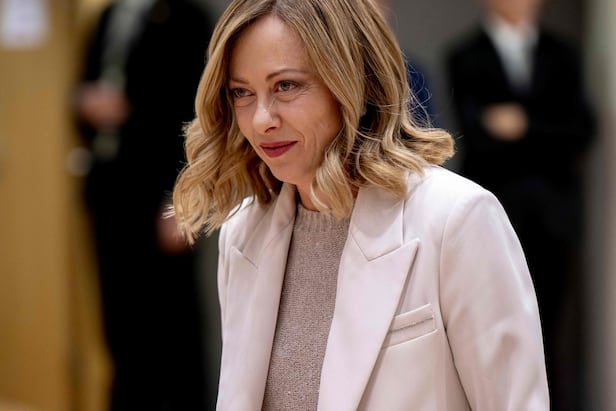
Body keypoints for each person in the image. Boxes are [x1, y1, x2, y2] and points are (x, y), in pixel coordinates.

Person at [172, 0, 549, 409]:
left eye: (286, 86)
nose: (261, 119)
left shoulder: (458, 219)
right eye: (242, 92)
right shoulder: (241, 233)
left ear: (352, 81)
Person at [445, 0, 595, 408]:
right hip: (495, 216)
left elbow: (581, 130)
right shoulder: (465, 55)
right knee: (494, 329)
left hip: (554, 218)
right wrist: (544, 130)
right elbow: (476, 136)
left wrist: (522, 124)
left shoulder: (562, 54)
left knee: (552, 332)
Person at [74, 0, 215, 409]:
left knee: (170, 325)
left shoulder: (188, 18)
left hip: (162, 199)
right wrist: (84, 105)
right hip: (111, 194)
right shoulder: (106, 17)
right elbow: (84, 89)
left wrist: (180, 201)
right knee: (118, 322)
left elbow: (196, 118)